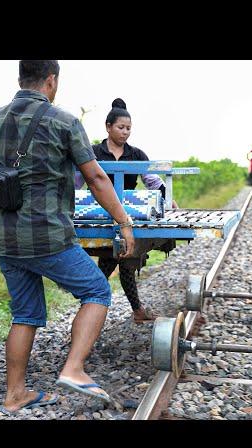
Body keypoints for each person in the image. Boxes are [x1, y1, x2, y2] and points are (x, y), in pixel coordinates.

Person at [0, 61, 135, 413]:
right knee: (96, 291)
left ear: (20, 79)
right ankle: (73, 367)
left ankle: (15, 395)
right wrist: (124, 223)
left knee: (25, 313)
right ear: (52, 80)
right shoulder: (64, 121)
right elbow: (97, 179)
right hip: (49, 238)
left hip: (5, 239)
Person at [75, 98, 178, 323]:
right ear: (108, 126)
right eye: (121, 127)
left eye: (129, 128)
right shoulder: (92, 153)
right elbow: (76, 182)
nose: (125, 132)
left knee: (123, 260)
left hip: (126, 216)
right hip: (99, 214)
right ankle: (99, 308)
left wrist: (168, 198)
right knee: (114, 261)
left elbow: (151, 180)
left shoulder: (136, 154)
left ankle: (93, 309)